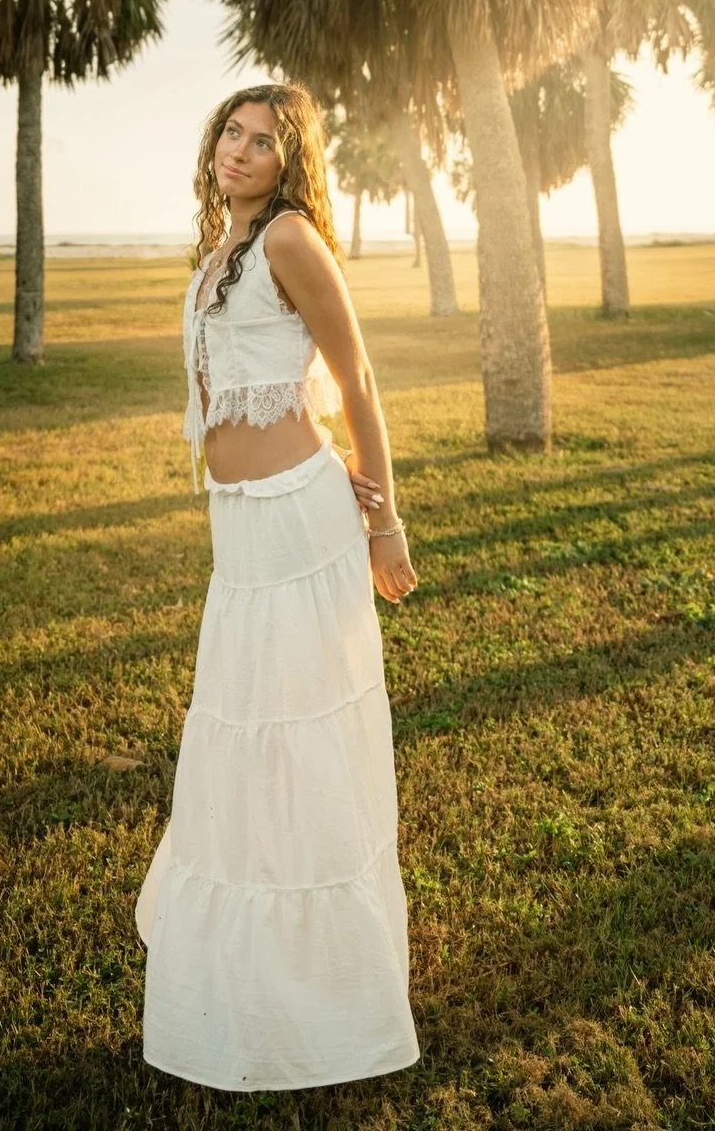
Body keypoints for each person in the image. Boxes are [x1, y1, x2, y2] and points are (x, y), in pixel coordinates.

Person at [135, 81, 422, 1091]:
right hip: (241, 539)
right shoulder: (221, 248)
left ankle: (324, 992)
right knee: (244, 745)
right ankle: (245, 973)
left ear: (290, 163)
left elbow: (358, 381)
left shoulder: (291, 239)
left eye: (264, 141)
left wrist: (383, 518)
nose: (241, 150)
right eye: (231, 132)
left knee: (301, 748)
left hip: (304, 528)